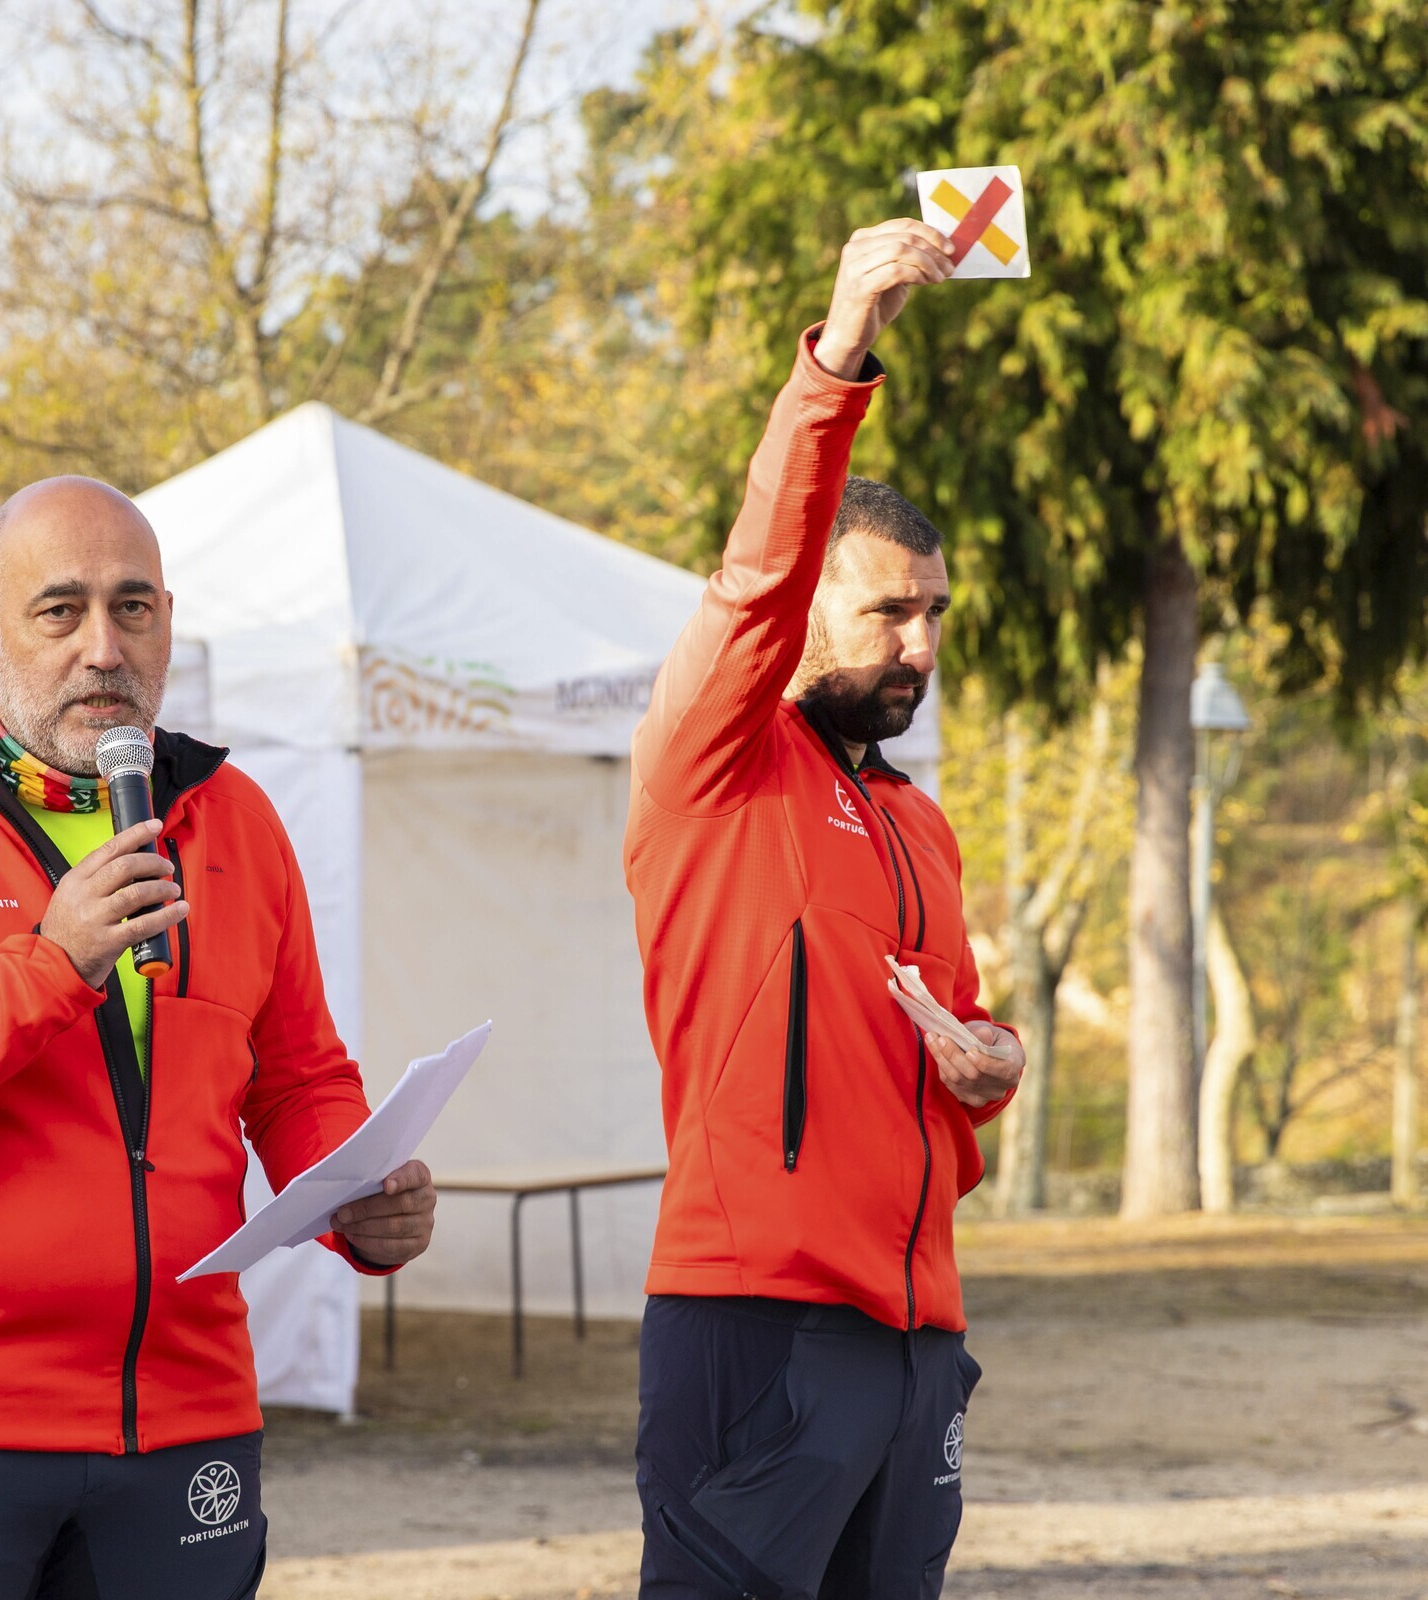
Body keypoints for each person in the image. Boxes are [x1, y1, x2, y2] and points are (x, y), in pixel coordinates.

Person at [0, 475, 436, 1600]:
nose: (103, 649)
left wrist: (363, 1195)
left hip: (187, 1421)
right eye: (60, 611)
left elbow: (297, 1079)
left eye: (133, 608)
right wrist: (50, 967)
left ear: (168, 621)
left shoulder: (236, 818)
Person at [623, 221, 1027, 1599]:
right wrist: (841, 355)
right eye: (888, 612)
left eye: (936, 613)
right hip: (759, 1320)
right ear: (807, 614)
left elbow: (952, 1039)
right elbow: (753, 577)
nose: (921, 644)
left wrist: (993, 1065)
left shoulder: (918, 819)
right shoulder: (713, 766)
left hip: (916, 1340)